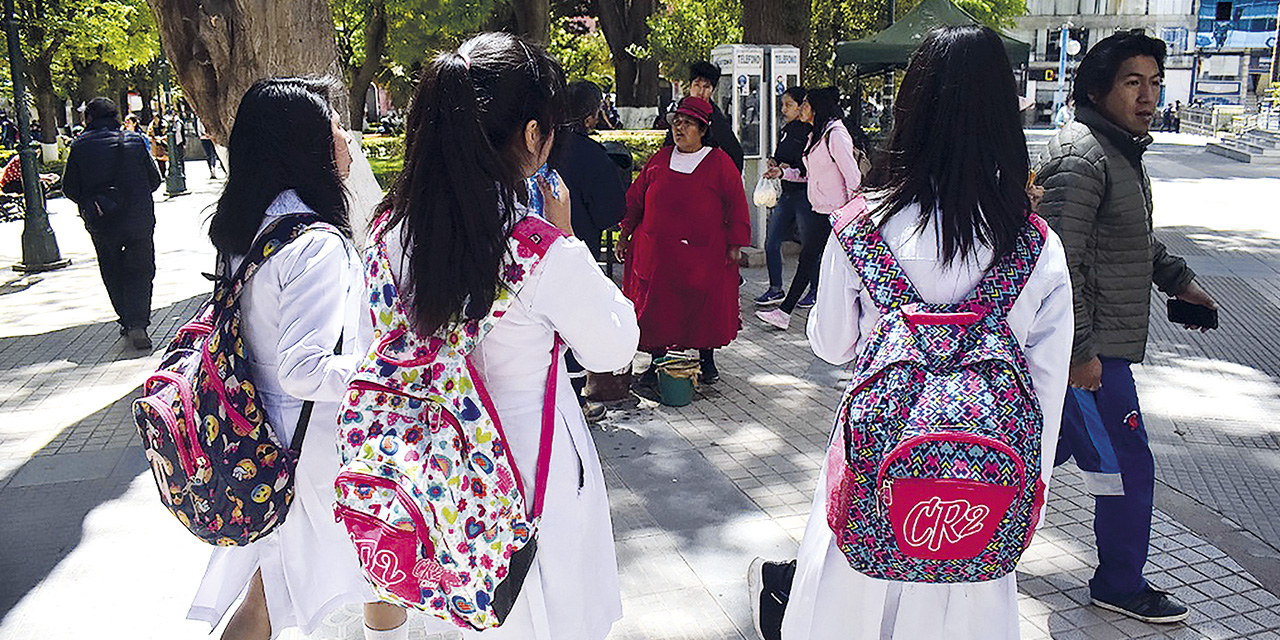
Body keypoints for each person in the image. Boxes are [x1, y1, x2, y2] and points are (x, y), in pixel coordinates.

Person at [749, 26, 1074, 640]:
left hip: (872, 487)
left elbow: (830, 342)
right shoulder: (1036, 247)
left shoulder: (863, 227)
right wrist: (1026, 499)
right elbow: (1048, 395)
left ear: (911, 110)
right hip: (977, 507)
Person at [373, 32, 638, 640]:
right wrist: (568, 241)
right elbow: (615, 346)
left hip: (431, 481)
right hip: (528, 483)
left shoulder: (387, 236)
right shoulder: (538, 249)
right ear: (529, 136)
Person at [185, 78, 408, 640]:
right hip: (313, 452)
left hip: (261, 443)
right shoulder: (313, 242)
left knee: (268, 597)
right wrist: (388, 371)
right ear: (304, 142)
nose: (344, 136)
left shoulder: (249, 228)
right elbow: (303, 366)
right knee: (386, 575)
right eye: (332, 124)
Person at [1036, 31, 1217, 624]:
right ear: (1097, 89)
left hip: (1091, 353)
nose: (1148, 95)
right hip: (1090, 358)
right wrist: (1081, 355)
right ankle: (1119, 582)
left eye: (1155, 82)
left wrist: (1178, 279)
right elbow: (1060, 265)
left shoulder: (1118, 152)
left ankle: (960, 535)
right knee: (1130, 466)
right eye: (1133, 82)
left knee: (1033, 458)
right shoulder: (1083, 158)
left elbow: (1131, 238)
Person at [618, 96, 751, 386]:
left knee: (703, 306)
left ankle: (707, 360)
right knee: (657, 309)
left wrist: (735, 245)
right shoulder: (661, 159)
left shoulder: (719, 163)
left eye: (688, 123)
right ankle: (656, 364)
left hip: (703, 254)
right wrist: (625, 233)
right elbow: (636, 199)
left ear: (703, 129)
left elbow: (737, 206)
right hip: (659, 253)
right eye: (677, 122)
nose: (680, 128)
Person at [756, 87, 862, 331]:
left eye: (805, 104)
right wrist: (782, 173)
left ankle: (786, 312)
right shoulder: (816, 134)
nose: (801, 108)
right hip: (820, 209)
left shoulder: (835, 134)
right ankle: (794, 313)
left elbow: (852, 176)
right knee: (815, 261)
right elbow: (809, 175)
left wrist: (852, 213)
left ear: (816, 108)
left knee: (812, 260)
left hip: (836, 213)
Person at [62, 98, 162, 350]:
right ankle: (139, 322)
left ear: (88, 119)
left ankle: (126, 320)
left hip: (102, 221)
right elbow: (154, 180)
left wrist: (92, 202)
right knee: (141, 270)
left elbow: (69, 187)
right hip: (139, 219)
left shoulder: (80, 146)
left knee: (112, 269)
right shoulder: (135, 141)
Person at [557, 81, 629, 422]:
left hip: (527, 255)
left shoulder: (539, 145)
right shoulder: (590, 154)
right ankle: (574, 401)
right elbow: (612, 210)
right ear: (589, 116)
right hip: (575, 251)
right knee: (572, 325)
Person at [754, 86, 815, 308]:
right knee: (771, 242)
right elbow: (782, 157)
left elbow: (809, 169)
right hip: (786, 194)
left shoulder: (811, 132)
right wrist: (775, 163)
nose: (783, 109)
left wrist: (786, 170)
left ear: (802, 107)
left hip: (804, 196)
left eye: (789, 105)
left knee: (809, 247)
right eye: (782, 105)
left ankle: (814, 290)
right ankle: (775, 288)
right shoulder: (786, 129)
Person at [661, 62, 745, 172]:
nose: (701, 92)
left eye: (706, 87)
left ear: (712, 90)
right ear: (690, 86)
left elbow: (735, 155)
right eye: (697, 85)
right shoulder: (679, 110)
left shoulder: (715, 117)